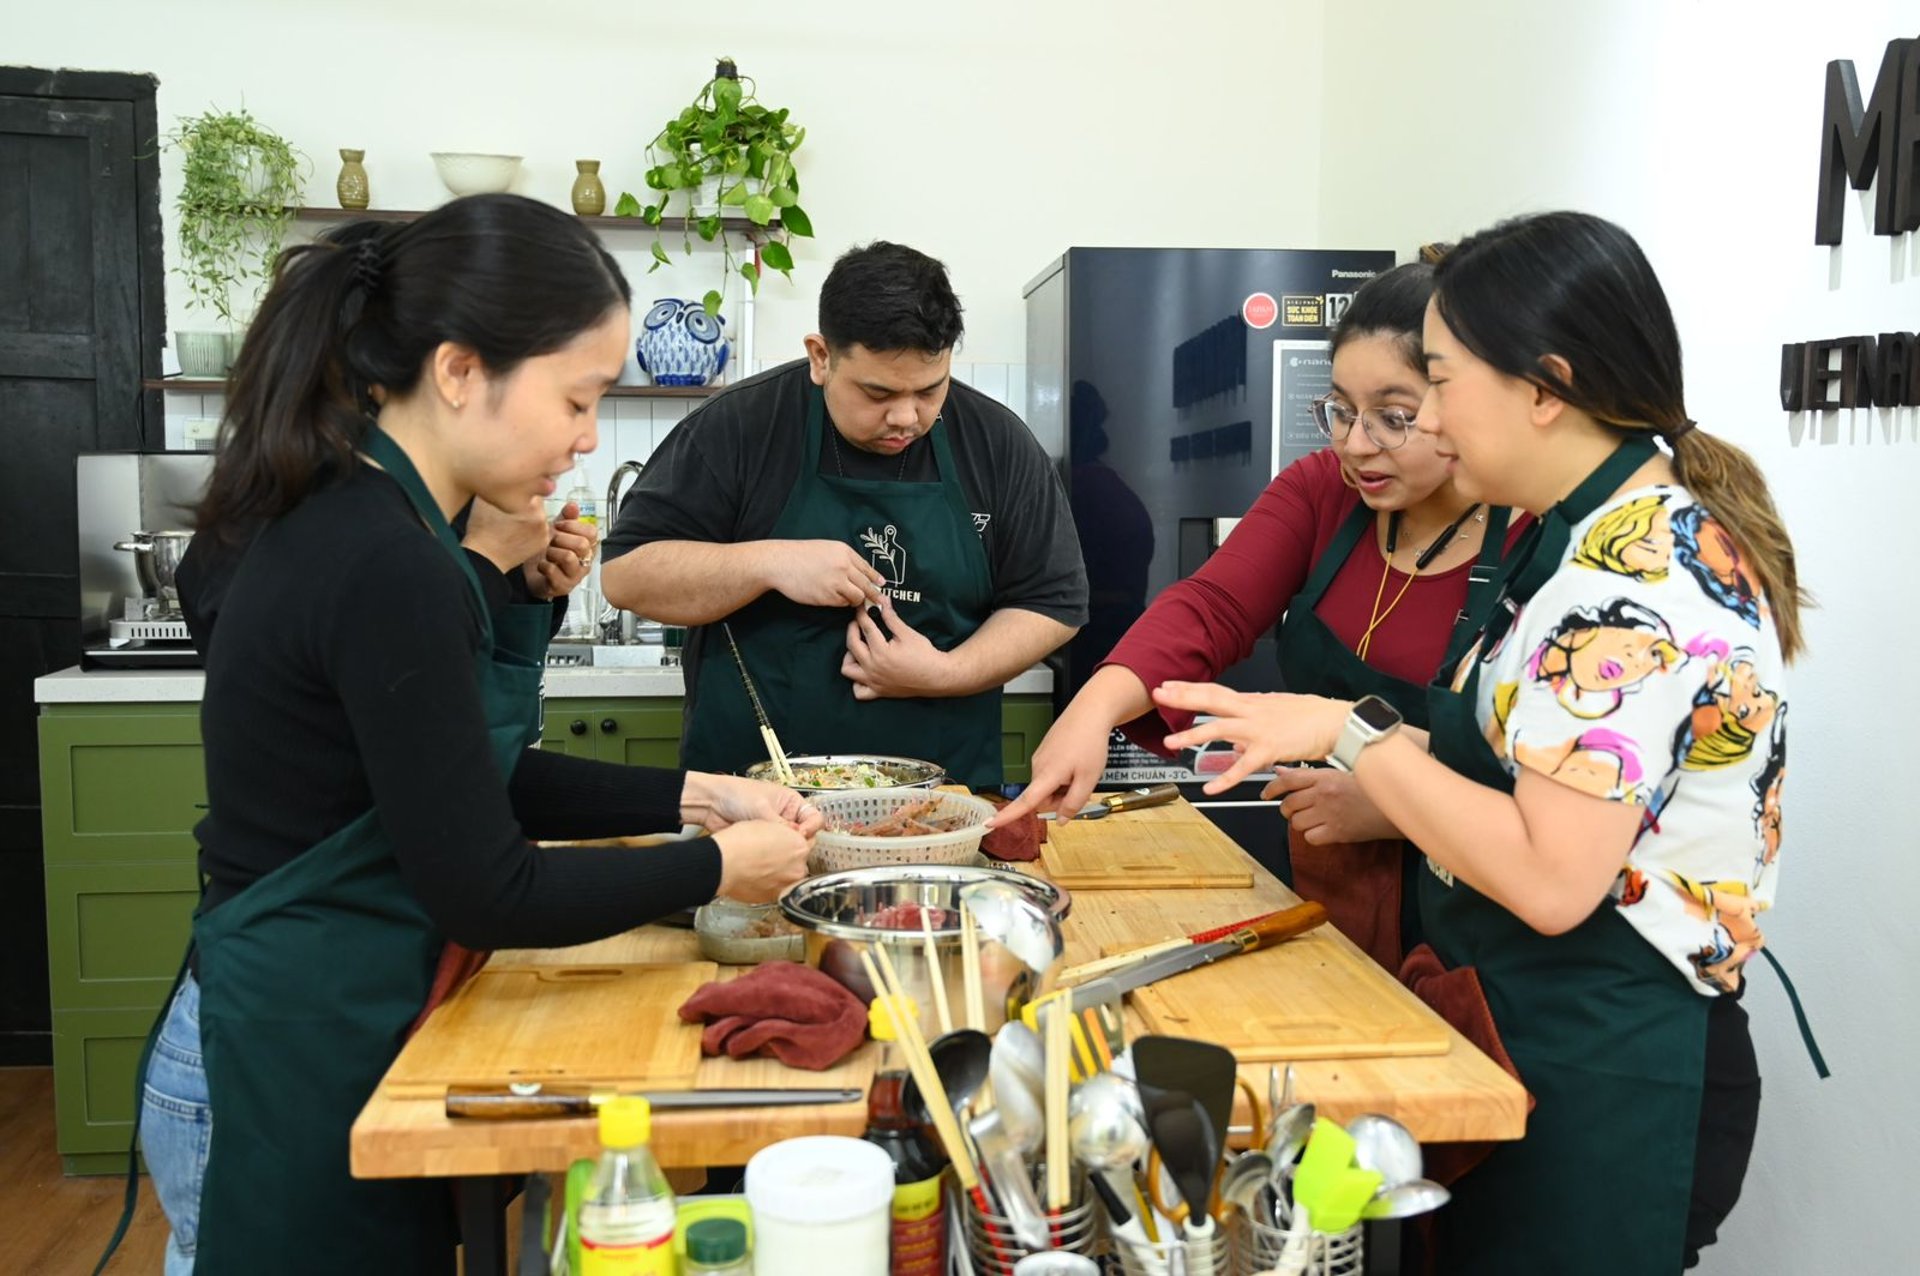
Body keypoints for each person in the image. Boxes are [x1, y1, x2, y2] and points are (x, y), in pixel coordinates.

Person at [128, 194, 819, 1276]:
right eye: (578, 397)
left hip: (309, 1020)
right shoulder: (387, 559)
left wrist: (696, 795)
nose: (589, 434)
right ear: (459, 371)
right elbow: (487, 885)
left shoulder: (368, 520)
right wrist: (720, 863)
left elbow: (464, 778)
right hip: (286, 1054)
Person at [1152, 211, 1811, 1272]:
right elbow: (1524, 778)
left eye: (1444, 380)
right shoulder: (1579, 537)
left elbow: (1553, 880)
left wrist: (1344, 734)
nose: (1435, 420)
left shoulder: (1629, 583)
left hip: (1609, 1061)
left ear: (1544, 388)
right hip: (1530, 1026)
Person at [996, 263, 1525, 970]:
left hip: (1483, 910)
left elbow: (1538, 778)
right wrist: (1095, 706)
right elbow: (1211, 606)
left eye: (1392, 418)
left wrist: (1392, 803)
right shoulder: (1323, 493)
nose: (1356, 444)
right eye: (1340, 409)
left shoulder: (1534, 542)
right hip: (1336, 878)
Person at [600, 242, 1087, 789]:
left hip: (940, 804)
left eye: (930, 390)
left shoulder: (997, 442)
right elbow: (626, 574)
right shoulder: (738, 427)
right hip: (752, 799)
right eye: (876, 392)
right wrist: (768, 563)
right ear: (821, 356)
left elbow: (1052, 602)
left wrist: (946, 673)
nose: (906, 417)